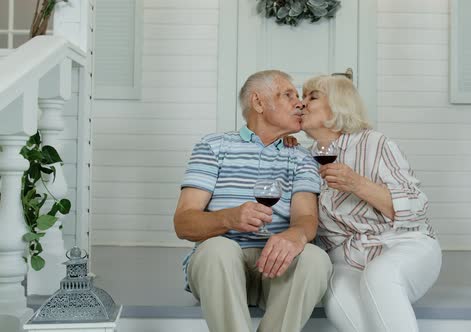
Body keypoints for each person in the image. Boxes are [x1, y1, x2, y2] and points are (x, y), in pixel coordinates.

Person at [174, 70, 332, 332]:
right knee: (217, 251)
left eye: (299, 96)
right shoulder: (213, 147)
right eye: (288, 95)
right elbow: (183, 223)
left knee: (315, 259)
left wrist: (295, 235)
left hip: (276, 267)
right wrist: (229, 218)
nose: (300, 102)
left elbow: (306, 218)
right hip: (220, 270)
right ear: (258, 103)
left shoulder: (301, 157)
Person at [299, 75, 442, 332]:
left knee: (380, 276)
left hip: (402, 244)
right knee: (336, 298)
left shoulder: (375, 143)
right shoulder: (303, 158)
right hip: (346, 259)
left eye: (312, 96)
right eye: (302, 96)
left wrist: (357, 184)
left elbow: (417, 207)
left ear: (338, 104)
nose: (302, 103)